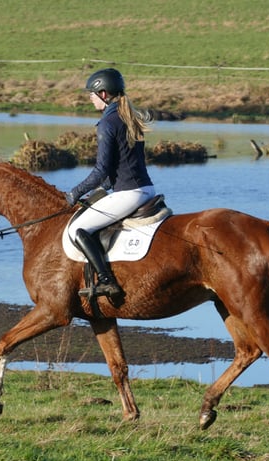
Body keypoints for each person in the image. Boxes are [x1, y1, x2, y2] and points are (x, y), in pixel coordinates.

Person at [65, 68, 156, 298]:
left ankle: (107, 281)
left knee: (77, 229)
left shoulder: (108, 122)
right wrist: (99, 191)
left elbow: (101, 170)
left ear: (103, 94)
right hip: (146, 189)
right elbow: (119, 166)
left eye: (92, 94)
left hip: (128, 193)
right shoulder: (128, 116)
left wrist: (75, 192)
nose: (90, 98)